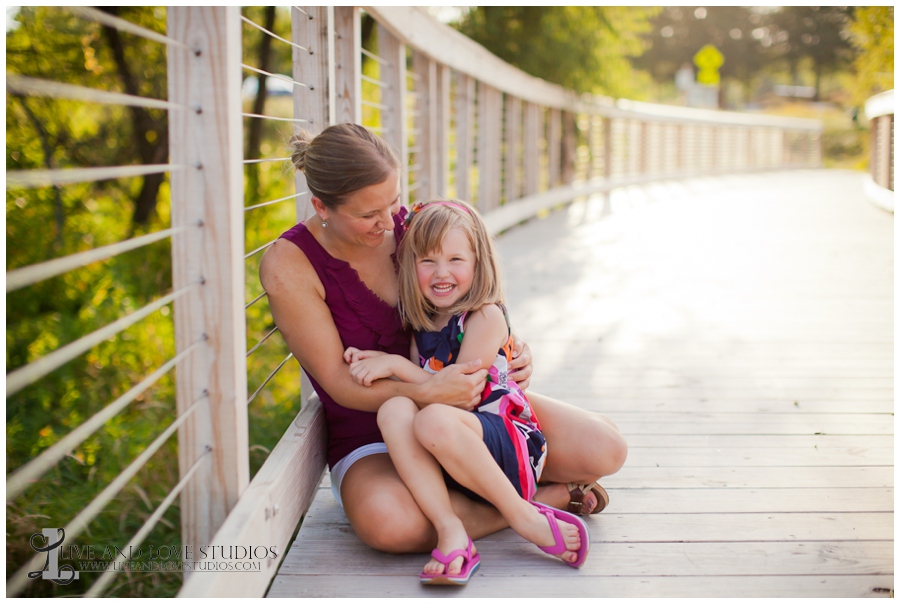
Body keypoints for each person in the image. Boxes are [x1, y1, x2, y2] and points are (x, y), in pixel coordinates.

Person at [259, 123, 626, 562]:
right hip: (373, 427)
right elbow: (340, 383)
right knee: (391, 524)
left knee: (605, 449)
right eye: (367, 214)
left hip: (466, 405)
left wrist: (511, 346)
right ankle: (540, 504)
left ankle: (489, 492)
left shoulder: (414, 225)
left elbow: (472, 296)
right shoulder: (289, 264)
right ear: (321, 206)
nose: (388, 222)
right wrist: (425, 390)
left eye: (392, 201)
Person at [343, 199, 590, 584]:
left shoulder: (485, 316)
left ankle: (524, 516)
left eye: (456, 259)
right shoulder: (421, 326)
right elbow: (421, 391)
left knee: (434, 417)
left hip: (504, 446)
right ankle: (450, 529)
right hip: (453, 458)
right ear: (411, 268)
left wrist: (391, 365)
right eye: (428, 261)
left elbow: (464, 392)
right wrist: (378, 362)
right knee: (393, 409)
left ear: (478, 263)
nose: (442, 273)